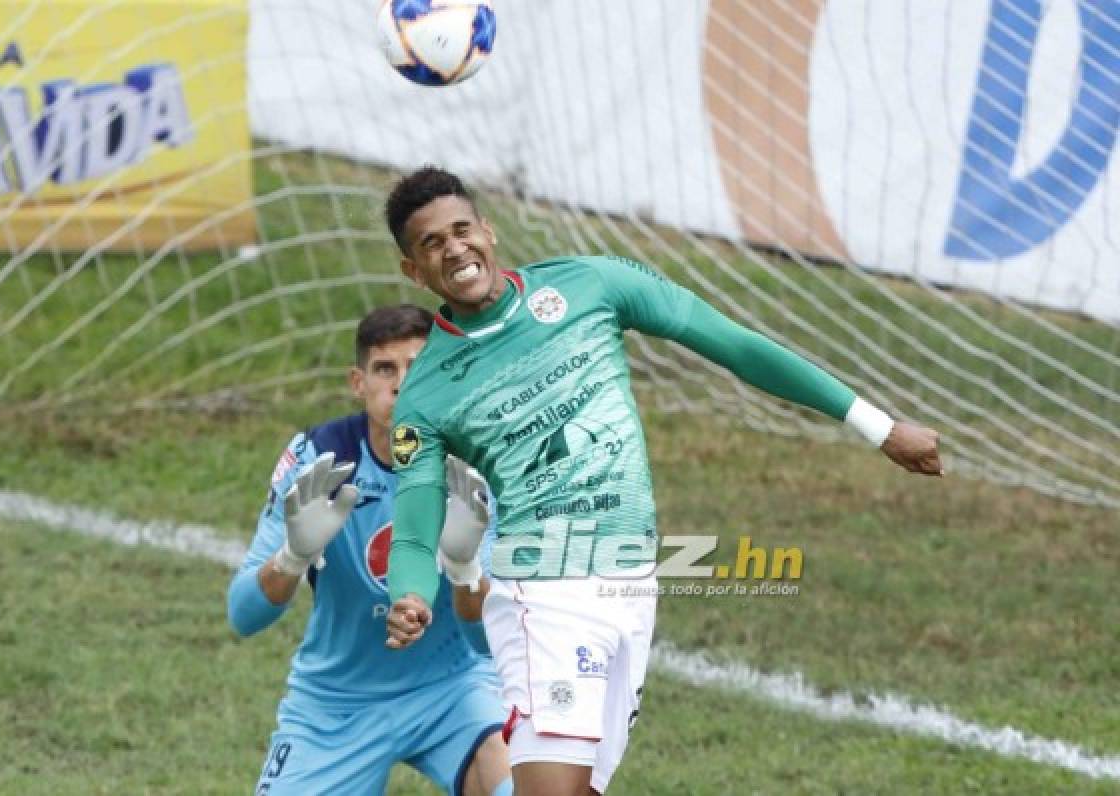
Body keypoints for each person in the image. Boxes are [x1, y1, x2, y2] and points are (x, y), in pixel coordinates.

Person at [381, 167, 943, 796]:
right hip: (542, 592)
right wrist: (411, 595)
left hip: (629, 583)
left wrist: (877, 425)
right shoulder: (426, 392)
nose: (454, 249)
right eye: (431, 244)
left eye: (461, 230)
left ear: (488, 230)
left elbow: (734, 345)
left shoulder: (588, 284)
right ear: (414, 271)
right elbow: (415, 522)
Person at [227, 304, 513, 796]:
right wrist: (292, 558)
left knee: (521, 785)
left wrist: (466, 570)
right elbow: (243, 615)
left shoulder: (478, 465)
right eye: (386, 369)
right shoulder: (318, 459)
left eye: (418, 367)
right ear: (358, 383)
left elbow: (487, 643)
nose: (401, 383)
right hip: (338, 702)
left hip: (453, 689)